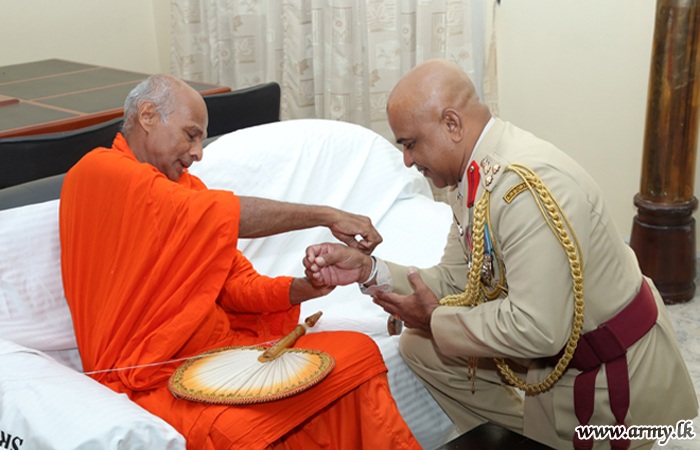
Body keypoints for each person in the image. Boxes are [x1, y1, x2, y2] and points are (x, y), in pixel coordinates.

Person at [304, 59, 698, 450]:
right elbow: (456, 279)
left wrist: (435, 319)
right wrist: (369, 270)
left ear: (452, 124)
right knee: (419, 345)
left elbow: (537, 328)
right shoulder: (476, 174)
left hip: (608, 377)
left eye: (410, 144)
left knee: (432, 333)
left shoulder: (524, 188)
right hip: (559, 357)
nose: (407, 160)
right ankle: (530, 433)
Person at [59, 74, 421, 450]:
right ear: (147, 116)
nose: (198, 153)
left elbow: (236, 286)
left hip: (225, 354)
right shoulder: (98, 172)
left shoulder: (186, 189)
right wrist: (327, 215)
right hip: (152, 374)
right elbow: (232, 215)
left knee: (354, 353)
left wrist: (307, 287)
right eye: (191, 135)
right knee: (241, 427)